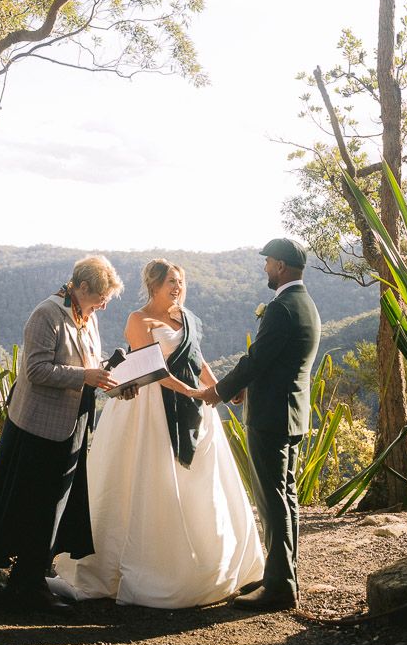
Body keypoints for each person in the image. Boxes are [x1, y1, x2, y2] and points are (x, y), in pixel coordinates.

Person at [53, 259, 264, 608]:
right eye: (171, 282)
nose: (178, 287)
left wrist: (217, 390)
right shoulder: (139, 320)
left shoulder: (186, 318)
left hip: (194, 408)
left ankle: (210, 566)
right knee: (151, 481)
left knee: (203, 485)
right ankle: (145, 568)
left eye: (180, 281)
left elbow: (198, 360)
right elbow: (156, 369)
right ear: (154, 285)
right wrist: (192, 392)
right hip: (150, 408)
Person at [0, 254, 124, 613]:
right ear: (80, 286)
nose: (103, 305)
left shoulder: (88, 316)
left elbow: (89, 365)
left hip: (73, 424)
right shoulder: (47, 314)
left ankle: (30, 579)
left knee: (54, 507)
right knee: (31, 506)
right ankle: (19, 586)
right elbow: (36, 370)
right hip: (37, 428)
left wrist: (110, 377)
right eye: (100, 297)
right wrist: (84, 376)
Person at [201, 236, 321, 612]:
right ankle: (281, 575)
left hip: (270, 416)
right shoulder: (306, 304)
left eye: (268, 262)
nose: (265, 267)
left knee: (272, 501)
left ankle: (280, 587)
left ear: (280, 266)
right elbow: (276, 360)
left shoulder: (281, 308)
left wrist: (219, 391)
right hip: (292, 414)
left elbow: (257, 359)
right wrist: (245, 386)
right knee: (286, 497)